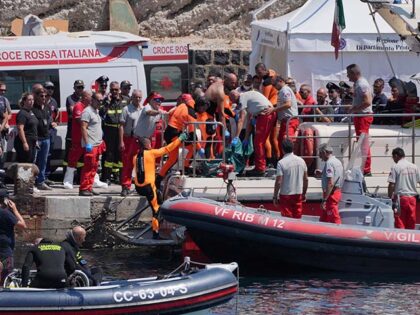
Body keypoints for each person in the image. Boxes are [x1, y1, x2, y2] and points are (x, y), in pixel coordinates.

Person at [134, 134, 188, 239]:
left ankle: (158, 218)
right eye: (150, 144)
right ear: (148, 145)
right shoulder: (151, 153)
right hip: (148, 187)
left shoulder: (136, 157)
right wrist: (180, 139)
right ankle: (155, 234)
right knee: (156, 209)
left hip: (138, 187)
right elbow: (167, 149)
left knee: (156, 197)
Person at [157, 93, 204, 183]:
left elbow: (170, 113)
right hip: (174, 134)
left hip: (170, 132)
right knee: (193, 147)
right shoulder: (191, 112)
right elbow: (192, 133)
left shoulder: (181, 106)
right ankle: (185, 168)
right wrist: (200, 148)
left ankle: (159, 179)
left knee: (173, 159)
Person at [230, 90, 275, 176]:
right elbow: (249, 121)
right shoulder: (250, 100)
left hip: (265, 115)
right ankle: (261, 166)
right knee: (259, 142)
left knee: (259, 143)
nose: (235, 103)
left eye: (234, 101)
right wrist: (246, 138)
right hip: (265, 115)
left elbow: (241, 119)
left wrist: (236, 137)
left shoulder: (242, 98)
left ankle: (260, 168)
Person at [346, 64, 373, 176]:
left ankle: (366, 169)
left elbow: (367, 101)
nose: (348, 77)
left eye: (348, 74)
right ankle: (365, 167)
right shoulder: (359, 84)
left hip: (363, 116)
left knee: (363, 142)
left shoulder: (361, 84)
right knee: (361, 142)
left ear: (354, 73)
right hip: (360, 116)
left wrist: (354, 109)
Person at [63, 91, 92, 189]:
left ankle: (93, 179)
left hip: (87, 138)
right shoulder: (78, 106)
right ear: (84, 97)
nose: (91, 98)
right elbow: (81, 121)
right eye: (90, 96)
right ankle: (67, 181)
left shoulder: (89, 107)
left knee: (90, 159)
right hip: (78, 139)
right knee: (72, 159)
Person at [79, 92, 106, 196]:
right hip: (91, 144)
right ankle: (84, 188)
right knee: (88, 167)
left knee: (94, 167)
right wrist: (87, 143)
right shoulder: (87, 112)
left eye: (101, 100)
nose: (100, 102)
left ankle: (89, 187)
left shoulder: (96, 111)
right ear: (92, 100)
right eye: (98, 100)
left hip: (97, 144)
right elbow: (83, 127)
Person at [273, 139, 308, 218]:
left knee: (287, 219)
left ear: (282, 149)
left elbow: (279, 181)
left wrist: (275, 196)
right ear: (293, 148)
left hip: (286, 195)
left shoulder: (281, 163)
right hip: (298, 194)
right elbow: (306, 179)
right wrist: (304, 193)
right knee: (298, 218)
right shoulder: (302, 161)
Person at [387, 147, 420, 230]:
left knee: (400, 221)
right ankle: (410, 240)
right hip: (413, 199)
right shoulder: (414, 167)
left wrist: (389, 198)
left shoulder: (395, 167)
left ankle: (401, 240)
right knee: (411, 221)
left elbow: (391, 185)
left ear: (396, 155)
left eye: (393, 157)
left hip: (401, 198)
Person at [119, 89, 144, 196]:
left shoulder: (144, 109)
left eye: (139, 97)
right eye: (136, 97)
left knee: (140, 164)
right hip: (129, 139)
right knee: (127, 164)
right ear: (132, 98)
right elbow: (121, 126)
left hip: (140, 140)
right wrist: (121, 142)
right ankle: (125, 186)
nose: (138, 99)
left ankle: (140, 186)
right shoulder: (126, 109)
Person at [100, 81, 125, 184]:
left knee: (119, 154)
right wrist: (107, 102)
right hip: (109, 130)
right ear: (109, 90)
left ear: (119, 90)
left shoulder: (124, 101)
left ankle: (117, 176)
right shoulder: (106, 101)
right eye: (112, 90)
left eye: (116, 89)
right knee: (109, 155)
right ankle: (106, 177)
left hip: (120, 129)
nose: (114, 91)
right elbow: (101, 113)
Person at [255, 63, 279, 167]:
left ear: (264, 70)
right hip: (274, 109)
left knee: (266, 138)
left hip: (269, 110)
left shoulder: (266, 82)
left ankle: (269, 160)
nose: (258, 75)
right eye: (257, 73)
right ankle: (276, 159)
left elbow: (264, 99)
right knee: (273, 138)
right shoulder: (272, 76)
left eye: (259, 72)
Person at [0, 190, 26, 285]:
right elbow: (23, 225)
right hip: (5, 249)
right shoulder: (5, 213)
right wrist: (15, 210)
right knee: (6, 274)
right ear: (6, 200)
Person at [32, 88, 56, 190]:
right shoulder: (33, 108)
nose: (44, 98)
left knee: (43, 161)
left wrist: (52, 123)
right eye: (41, 96)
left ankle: (41, 181)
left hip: (46, 138)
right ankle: (32, 182)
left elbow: (49, 119)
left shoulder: (46, 107)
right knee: (34, 162)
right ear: (36, 96)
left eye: (45, 96)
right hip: (37, 139)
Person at [316, 144, 343, 224]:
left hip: (331, 194)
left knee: (333, 214)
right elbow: (335, 175)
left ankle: (338, 232)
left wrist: (325, 200)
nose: (319, 156)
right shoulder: (337, 161)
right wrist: (322, 173)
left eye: (320, 154)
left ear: (324, 152)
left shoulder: (329, 163)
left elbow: (330, 182)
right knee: (325, 215)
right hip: (336, 191)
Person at [272, 76, 299, 157]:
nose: (274, 87)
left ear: (280, 81)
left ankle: (289, 160)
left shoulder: (285, 90)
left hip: (290, 120)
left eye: (275, 84)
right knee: (282, 141)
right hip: (286, 121)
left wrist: (274, 109)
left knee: (287, 141)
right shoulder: (282, 91)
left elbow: (288, 104)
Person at [64, 80, 85, 168]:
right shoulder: (70, 98)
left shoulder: (84, 98)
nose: (80, 89)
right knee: (69, 155)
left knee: (81, 156)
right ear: (74, 88)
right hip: (72, 132)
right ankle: (67, 176)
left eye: (82, 87)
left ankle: (79, 177)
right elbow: (74, 112)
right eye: (78, 87)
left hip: (82, 132)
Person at [14, 92, 38, 163]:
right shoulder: (22, 113)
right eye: (29, 100)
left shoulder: (30, 112)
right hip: (25, 141)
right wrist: (24, 143)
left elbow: (34, 128)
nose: (32, 101)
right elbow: (20, 129)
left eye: (33, 100)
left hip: (32, 141)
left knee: (30, 163)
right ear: (24, 101)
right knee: (25, 164)